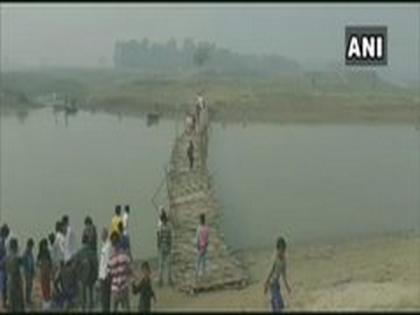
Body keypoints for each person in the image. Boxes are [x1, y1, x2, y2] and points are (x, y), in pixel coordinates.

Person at [264, 236, 292, 313]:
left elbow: (284, 275)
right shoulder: (274, 258)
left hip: (276, 283)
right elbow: (269, 271)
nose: (282, 251)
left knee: (279, 303)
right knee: (277, 304)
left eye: (284, 250)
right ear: (277, 249)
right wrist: (265, 284)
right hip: (271, 283)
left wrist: (287, 286)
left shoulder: (284, 259)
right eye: (281, 249)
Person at [73, 233, 98, 312]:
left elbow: (74, 265)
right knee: (90, 296)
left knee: (83, 298)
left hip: (82, 278)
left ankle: (83, 309)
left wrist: (77, 275)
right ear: (88, 241)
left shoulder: (79, 253)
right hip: (91, 277)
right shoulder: (92, 252)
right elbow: (96, 265)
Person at [108, 231, 131, 312]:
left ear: (111, 243)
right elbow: (129, 269)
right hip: (124, 288)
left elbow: (109, 273)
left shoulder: (110, 258)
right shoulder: (124, 255)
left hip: (114, 289)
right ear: (119, 241)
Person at [5, 238, 24, 312]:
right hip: (16, 283)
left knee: (11, 304)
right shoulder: (16, 258)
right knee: (18, 305)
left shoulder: (7, 258)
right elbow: (17, 272)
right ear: (15, 246)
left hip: (9, 283)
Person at [157, 211, 173, 287]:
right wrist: (170, 245)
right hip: (167, 246)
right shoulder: (168, 227)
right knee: (168, 264)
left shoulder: (160, 227)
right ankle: (169, 280)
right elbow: (170, 238)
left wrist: (158, 245)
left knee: (161, 264)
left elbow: (159, 237)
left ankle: (160, 280)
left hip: (162, 246)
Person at [98, 228, 112, 312]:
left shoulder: (108, 246)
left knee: (106, 299)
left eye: (102, 234)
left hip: (106, 277)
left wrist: (107, 274)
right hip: (102, 276)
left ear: (106, 234)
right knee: (103, 299)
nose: (101, 236)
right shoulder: (104, 246)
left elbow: (108, 261)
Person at [37, 238, 53, 311]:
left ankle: (48, 300)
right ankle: (45, 301)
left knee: (48, 286)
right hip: (42, 272)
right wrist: (40, 264)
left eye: (45, 245)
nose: (45, 246)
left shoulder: (48, 253)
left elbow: (50, 263)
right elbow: (37, 263)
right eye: (44, 245)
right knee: (43, 286)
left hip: (47, 272)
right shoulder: (40, 254)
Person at [21, 238, 35, 307]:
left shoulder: (30, 253)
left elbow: (32, 262)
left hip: (30, 272)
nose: (32, 247)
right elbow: (23, 263)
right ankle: (27, 300)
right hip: (27, 272)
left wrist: (33, 270)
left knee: (30, 286)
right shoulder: (25, 253)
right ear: (29, 245)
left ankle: (28, 299)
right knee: (28, 286)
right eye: (31, 246)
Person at [195, 213, 209, 280]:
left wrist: (197, 245)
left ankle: (197, 275)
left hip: (200, 247)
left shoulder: (199, 228)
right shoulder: (206, 228)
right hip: (205, 247)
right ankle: (203, 275)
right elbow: (207, 238)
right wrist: (206, 245)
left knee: (198, 261)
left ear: (200, 220)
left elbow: (197, 238)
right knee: (204, 262)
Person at [0, 225, 9, 309]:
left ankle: (4, 302)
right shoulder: (1, 241)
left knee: (5, 286)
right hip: (1, 267)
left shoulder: (5, 242)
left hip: (5, 267)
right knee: (3, 286)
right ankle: (3, 303)